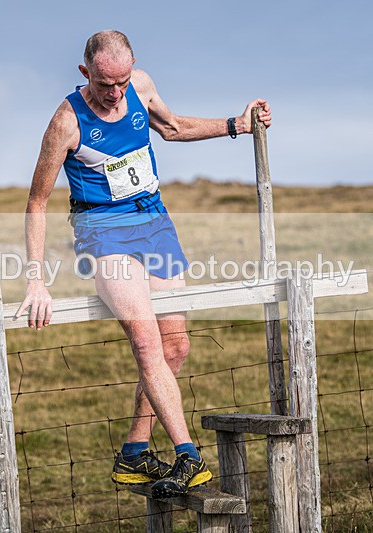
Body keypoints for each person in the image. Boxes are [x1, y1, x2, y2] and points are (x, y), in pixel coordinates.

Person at [16, 29, 271, 498]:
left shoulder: (141, 85)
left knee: (175, 348)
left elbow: (172, 128)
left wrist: (237, 124)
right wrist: (37, 282)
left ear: (133, 68)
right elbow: (37, 202)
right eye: (104, 83)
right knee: (147, 343)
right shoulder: (66, 122)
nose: (115, 94)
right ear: (84, 72)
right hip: (103, 233)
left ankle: (133, 454)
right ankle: (188, 457)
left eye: (122, 81)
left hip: (155, 223)